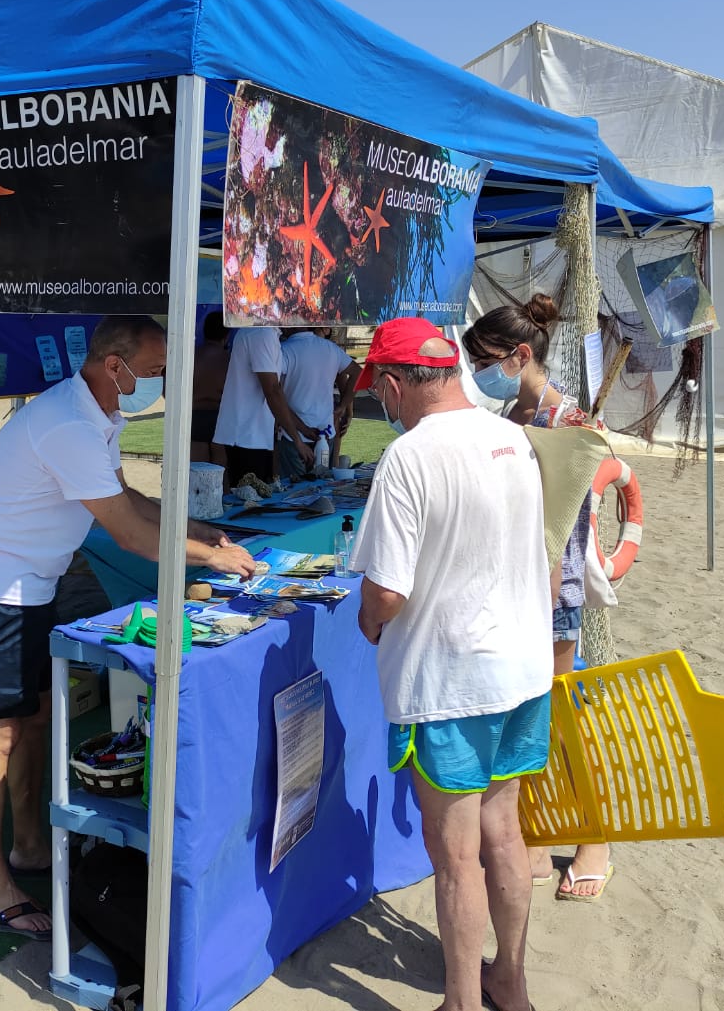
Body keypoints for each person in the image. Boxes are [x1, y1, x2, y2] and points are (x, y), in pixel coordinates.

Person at [0, 315, 259, 942]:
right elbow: (129, 533)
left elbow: (129, 499)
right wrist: (211, 557)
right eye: (157, 366)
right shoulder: (67, 424)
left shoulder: (95, 417)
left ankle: (29, 847)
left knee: (31, 719)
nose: (163, 378)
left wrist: (197, 530)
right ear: (116, 367)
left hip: (28, 589)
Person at [350, 317, 554, 1011]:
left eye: (379, 388)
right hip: (522, 670)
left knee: (457, 855)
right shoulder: (513, 438)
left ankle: (463, 1000)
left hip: (451, 682)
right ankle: (512, 983)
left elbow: (387, 590)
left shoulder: (410, 455)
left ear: (392, 383)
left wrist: (369, 618)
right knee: (507, 834)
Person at [463, 293, 613, 904]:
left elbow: (572, 518)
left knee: (561, 717)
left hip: (554, 594)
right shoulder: (507, 420)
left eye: (487, 360)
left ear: (521, 355)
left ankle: (595, 841)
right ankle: (528, 837)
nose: (479, 372)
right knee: (523, 722)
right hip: (509, 591)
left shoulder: (571, 421)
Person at [211, 324, 315, 484]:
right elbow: (272, 390)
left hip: (253, 435)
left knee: (259, 496)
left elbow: (275, 393)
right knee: (250, 500)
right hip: (247, 436)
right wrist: (298, 441)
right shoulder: (261, 334)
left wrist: (302, 430)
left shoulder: (265, 334)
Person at [276, 327, 361, 479]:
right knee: (322, 491)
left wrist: (343, 407)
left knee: (292, 495)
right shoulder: (330, 348)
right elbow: (358, 373)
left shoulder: (284, 351)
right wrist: (343, 406)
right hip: (325, 434)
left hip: (293, 437)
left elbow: (276, 395)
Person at [190, 312, 231, 466]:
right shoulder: (228, 359)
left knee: (197, 472)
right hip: (220, 417)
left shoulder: (191, 357)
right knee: (221, 473)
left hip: (194, 416)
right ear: (226, 335)